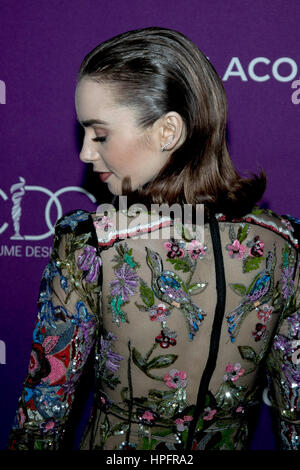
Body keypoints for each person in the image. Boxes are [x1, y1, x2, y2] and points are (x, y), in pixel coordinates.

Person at [8, 27, 299, 451]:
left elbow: (41, 420)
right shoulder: (284, 243)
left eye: (100, 134)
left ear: (168, 132)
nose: (86, 153)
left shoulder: (90, 245)